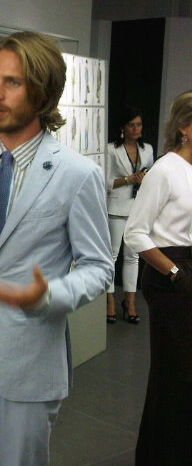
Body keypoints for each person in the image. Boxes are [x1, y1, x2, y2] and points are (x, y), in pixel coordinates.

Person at [0, 32, 112, 466]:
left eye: (12, 82)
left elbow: (99, 267)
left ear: (42, 93)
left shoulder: (76, 174)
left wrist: (49, 295)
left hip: (30, 356)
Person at [124, 90, 192, 465]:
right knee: (175, 372)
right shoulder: (165, 170)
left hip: (186, 268)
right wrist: (176, 273)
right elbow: (135, 233)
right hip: (171, 275)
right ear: (184, 128)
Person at [105, 106, 153, 324]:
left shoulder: (147, 149)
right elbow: (104, 181)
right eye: (131, 125)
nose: (136, 129)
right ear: (123, 128)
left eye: (139, 124)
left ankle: (130, 302)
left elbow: (152, 176)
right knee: (112, 256)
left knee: (133, 257)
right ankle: (109, 302)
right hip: (115, 208)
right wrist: (128, 179)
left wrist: (144, 178)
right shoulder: (111, 150)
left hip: (137, 209)